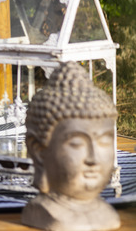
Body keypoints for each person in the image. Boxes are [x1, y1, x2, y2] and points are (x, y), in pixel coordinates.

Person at [21, 62, 120, 231]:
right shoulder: (47, 213)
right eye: (77, 143)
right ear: (38, 151)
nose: (93, 158)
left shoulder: (107, 212)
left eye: (104, 141)